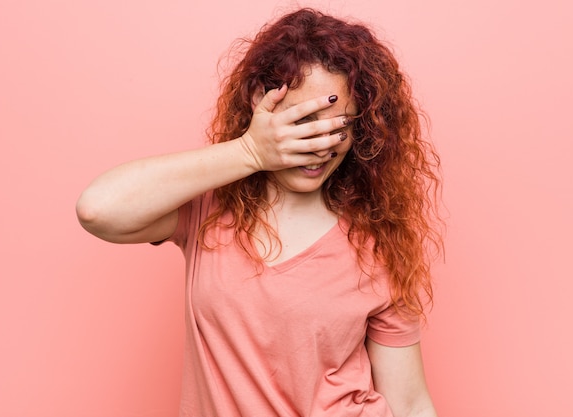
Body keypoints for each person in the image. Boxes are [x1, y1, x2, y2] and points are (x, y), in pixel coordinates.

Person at [76, 8, 443, 417]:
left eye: (338, 126)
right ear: (259, 103)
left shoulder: (378, 244)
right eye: (303, 121)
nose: (320, 144)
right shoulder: (209, 209)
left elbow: (409, 403)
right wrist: (250, 151)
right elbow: (98, 209)